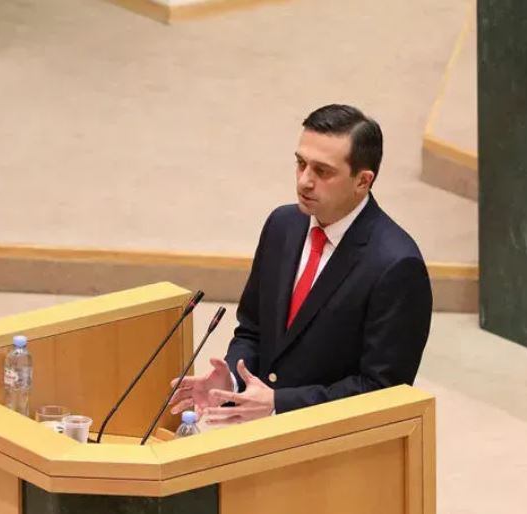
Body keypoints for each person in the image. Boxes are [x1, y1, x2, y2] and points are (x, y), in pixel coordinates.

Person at [169, 104, 433, 425]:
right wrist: (233, 381)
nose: (305, 181)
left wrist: (280, 404)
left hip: (332, 444)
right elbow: (253, 330)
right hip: (256, 434)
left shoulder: (396, 265)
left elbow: (382, 389)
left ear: (363, 181)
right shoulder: (282, 226)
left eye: (322, 171)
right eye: (301, 163)